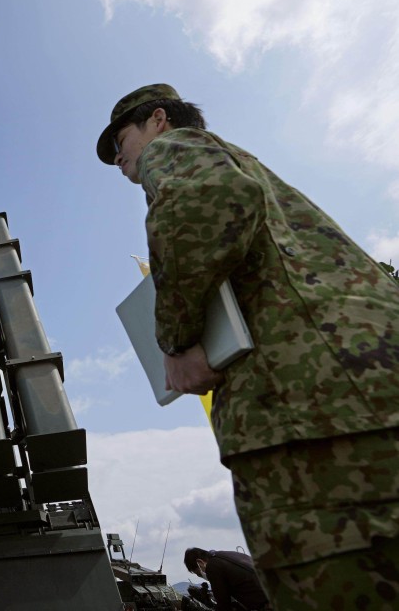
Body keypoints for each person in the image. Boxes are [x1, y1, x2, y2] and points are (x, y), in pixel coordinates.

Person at [97, 84, 399, 607]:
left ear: (159, 121)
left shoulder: (176, 149)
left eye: (122, 140)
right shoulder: (244, 163)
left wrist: (176, 341)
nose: (119, 158)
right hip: (358, 388)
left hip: (310, 407)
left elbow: (207, 201)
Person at [184, 548, 269, 610]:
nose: (202, 576)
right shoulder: (226, 555)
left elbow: (223, 605)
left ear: (200, 563)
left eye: (199, 573)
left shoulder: (212, 566)